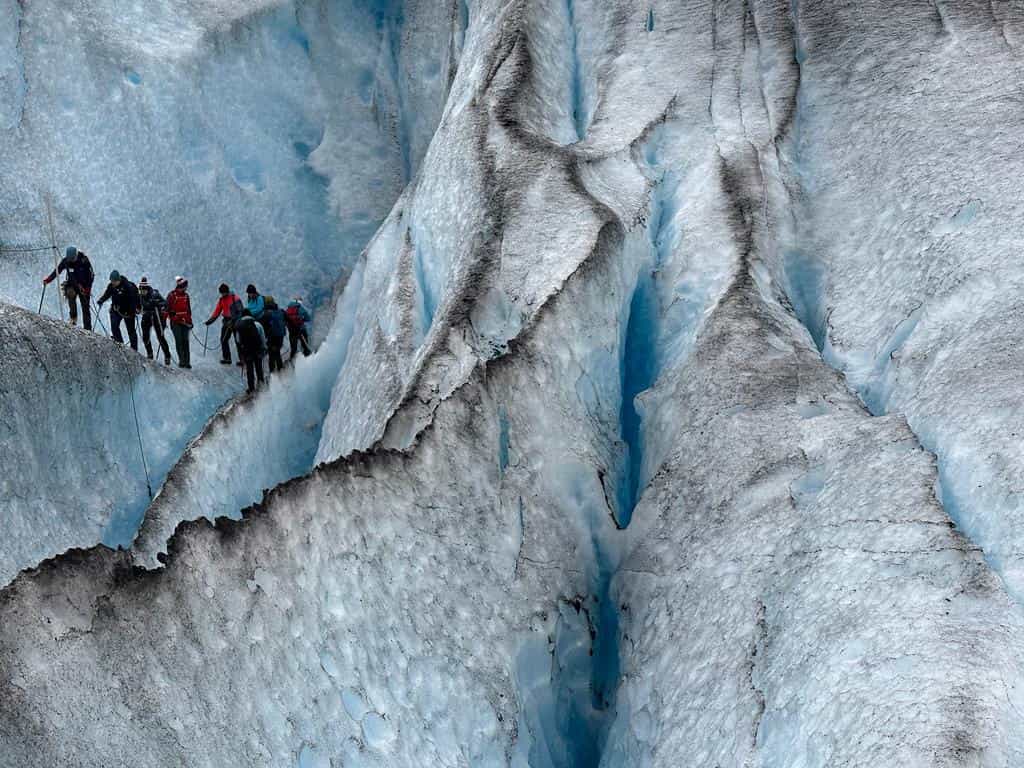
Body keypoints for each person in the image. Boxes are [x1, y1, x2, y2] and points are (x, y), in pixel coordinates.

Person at [42, 246, 95, 330]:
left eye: (72, 258)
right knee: (70, 293)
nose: (71, 260)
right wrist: (48, 280)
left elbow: (91, 275)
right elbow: (57, 271)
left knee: (85, 307)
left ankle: (87, 328)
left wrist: (88, 289)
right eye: (69, 259)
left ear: (76, 255)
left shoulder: (84, 260)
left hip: (84, 287)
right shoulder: (66, 261)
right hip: (72, 284)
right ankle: (73, 318)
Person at [96, 270, 140, 350]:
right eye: (111, 281)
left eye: (114, 281)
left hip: (128, 312)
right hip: (116, 309)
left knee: (131, 331)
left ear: (118, 280)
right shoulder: (111, 286)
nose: (112, 283)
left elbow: (133, 300)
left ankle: (134, 349)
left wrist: (131, 311)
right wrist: (101, 300)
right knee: (114, 326)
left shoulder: (128, 286)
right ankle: (120, 344)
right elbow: (107, 294)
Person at [204, 283, 243, 365]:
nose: (222, 294)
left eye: (223, 293)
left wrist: (234, 320)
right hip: (226, 322)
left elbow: (240, 312)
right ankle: (227, 358)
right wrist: (210, 321)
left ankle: (242, 359)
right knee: (223, 340)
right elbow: (217, 311)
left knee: (238, 341)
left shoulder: (235, 298)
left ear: (227, 291)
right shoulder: (222, 300)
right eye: (221, 293)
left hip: (235, 322)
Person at [138, 277, 172, 366]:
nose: (142, 292)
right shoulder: (140, 295)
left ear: (147, 289)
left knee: (160, 337)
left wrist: (157, 303)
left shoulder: (154, 293)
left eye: (143, 291)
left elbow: (165, 303)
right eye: (140, 291)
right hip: (146, 316)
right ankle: (150, 353)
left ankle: (167, 356)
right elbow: (138, 305)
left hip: (156, 316)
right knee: (145, 336)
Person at [233, 309, 266, 393]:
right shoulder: (257, 324)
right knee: (259, 367)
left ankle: (251, 388)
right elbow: (262, 337)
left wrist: (241, 351)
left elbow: (238, 340)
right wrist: (263, 347)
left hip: (247, 350)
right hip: (257, 349)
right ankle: (261, 384)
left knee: (249, 369)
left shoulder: (240, 325)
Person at [165, 276, 193, 369]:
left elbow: (188, 310)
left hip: (185, 322)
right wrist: (166, 319)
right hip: (175, 322)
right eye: (186, 286)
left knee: (185, 341)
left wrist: (190, 322)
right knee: (179, 341)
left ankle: (187, 362)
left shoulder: (186, 296)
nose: (186, 288)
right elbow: (166, 309)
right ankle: (182, 360)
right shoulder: (171, 295)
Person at [263, 297, 287, 373]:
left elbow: (264, 326)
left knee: (271, 355)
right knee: (277, 352)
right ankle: (280, 369)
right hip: (280, 335)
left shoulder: (266, 313)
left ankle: (272, 373)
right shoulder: (281, 311)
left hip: (272, 336)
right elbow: (286, 320)